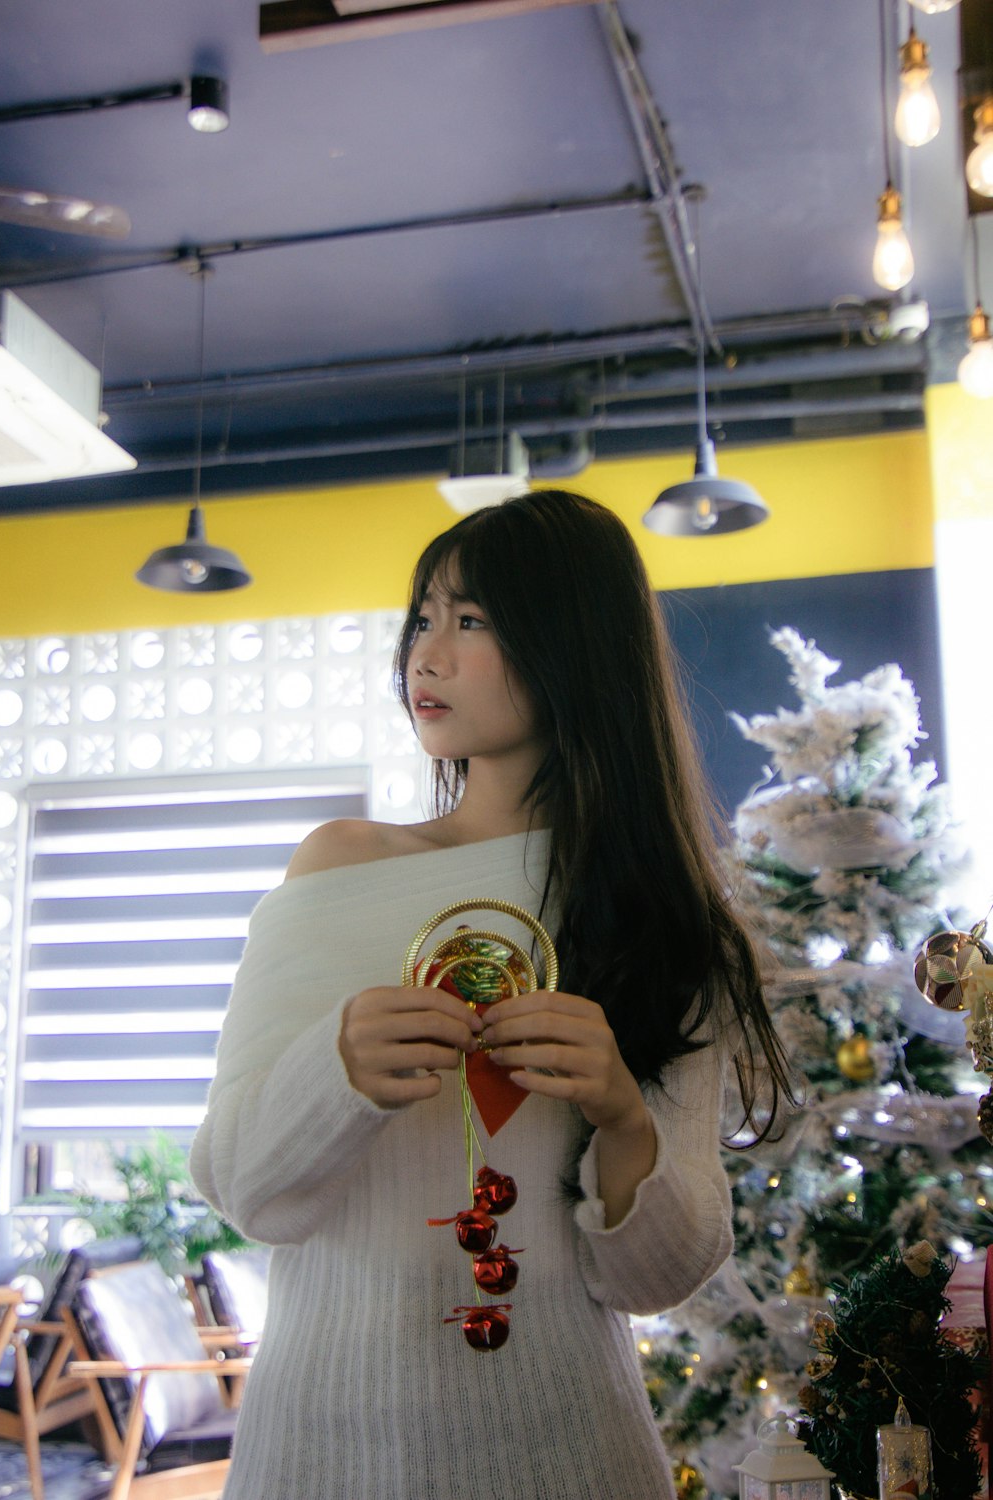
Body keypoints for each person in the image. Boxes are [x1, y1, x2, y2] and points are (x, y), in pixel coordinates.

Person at [190, 488, 793, 1500]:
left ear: (572, 646)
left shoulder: (665, 929)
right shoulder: (337, 868)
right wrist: (333, 1073)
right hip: (323, 1454)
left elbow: (655, 1280)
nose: (424, 656)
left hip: (568, 1455)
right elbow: (244, 1190)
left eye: (469, 621)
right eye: (421, 620)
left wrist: (619, 1115)